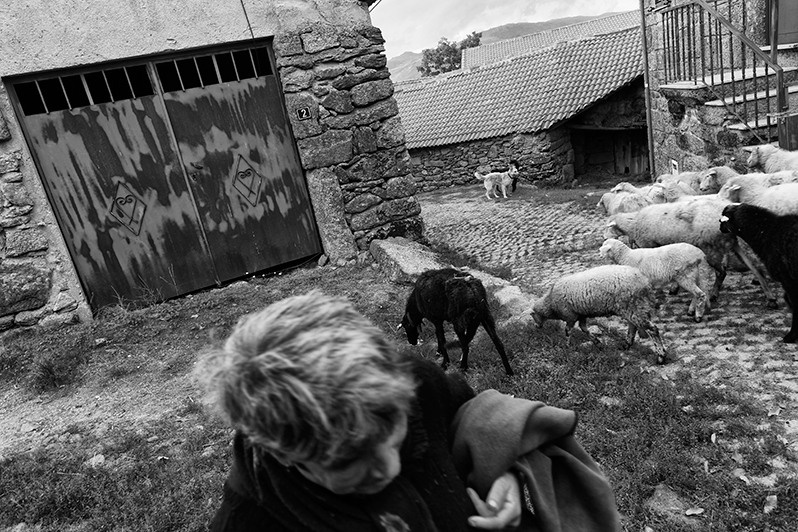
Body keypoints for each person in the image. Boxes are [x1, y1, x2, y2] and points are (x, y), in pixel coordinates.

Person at [198, 291, 620, 532]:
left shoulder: (412, 381)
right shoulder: (252, 515)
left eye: (393, 434)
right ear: (286, 453)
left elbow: (467, 417)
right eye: (351, 464)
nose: (385, 465)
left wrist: (503, 472)